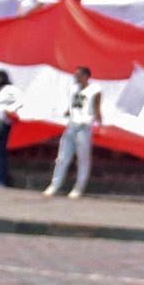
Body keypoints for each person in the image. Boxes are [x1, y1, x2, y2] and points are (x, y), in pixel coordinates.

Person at [45, 66, 102, 198]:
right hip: (71, 126)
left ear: (86, 76)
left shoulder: (95, 90)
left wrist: (99, 124)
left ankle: (79, 187)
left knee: (83, 159)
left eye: (78, 75)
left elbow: (96, 108)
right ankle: (55, 185)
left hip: (84, 127)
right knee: (62, 158)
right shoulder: (73, 89)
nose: (76, 77)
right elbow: (72, 107)